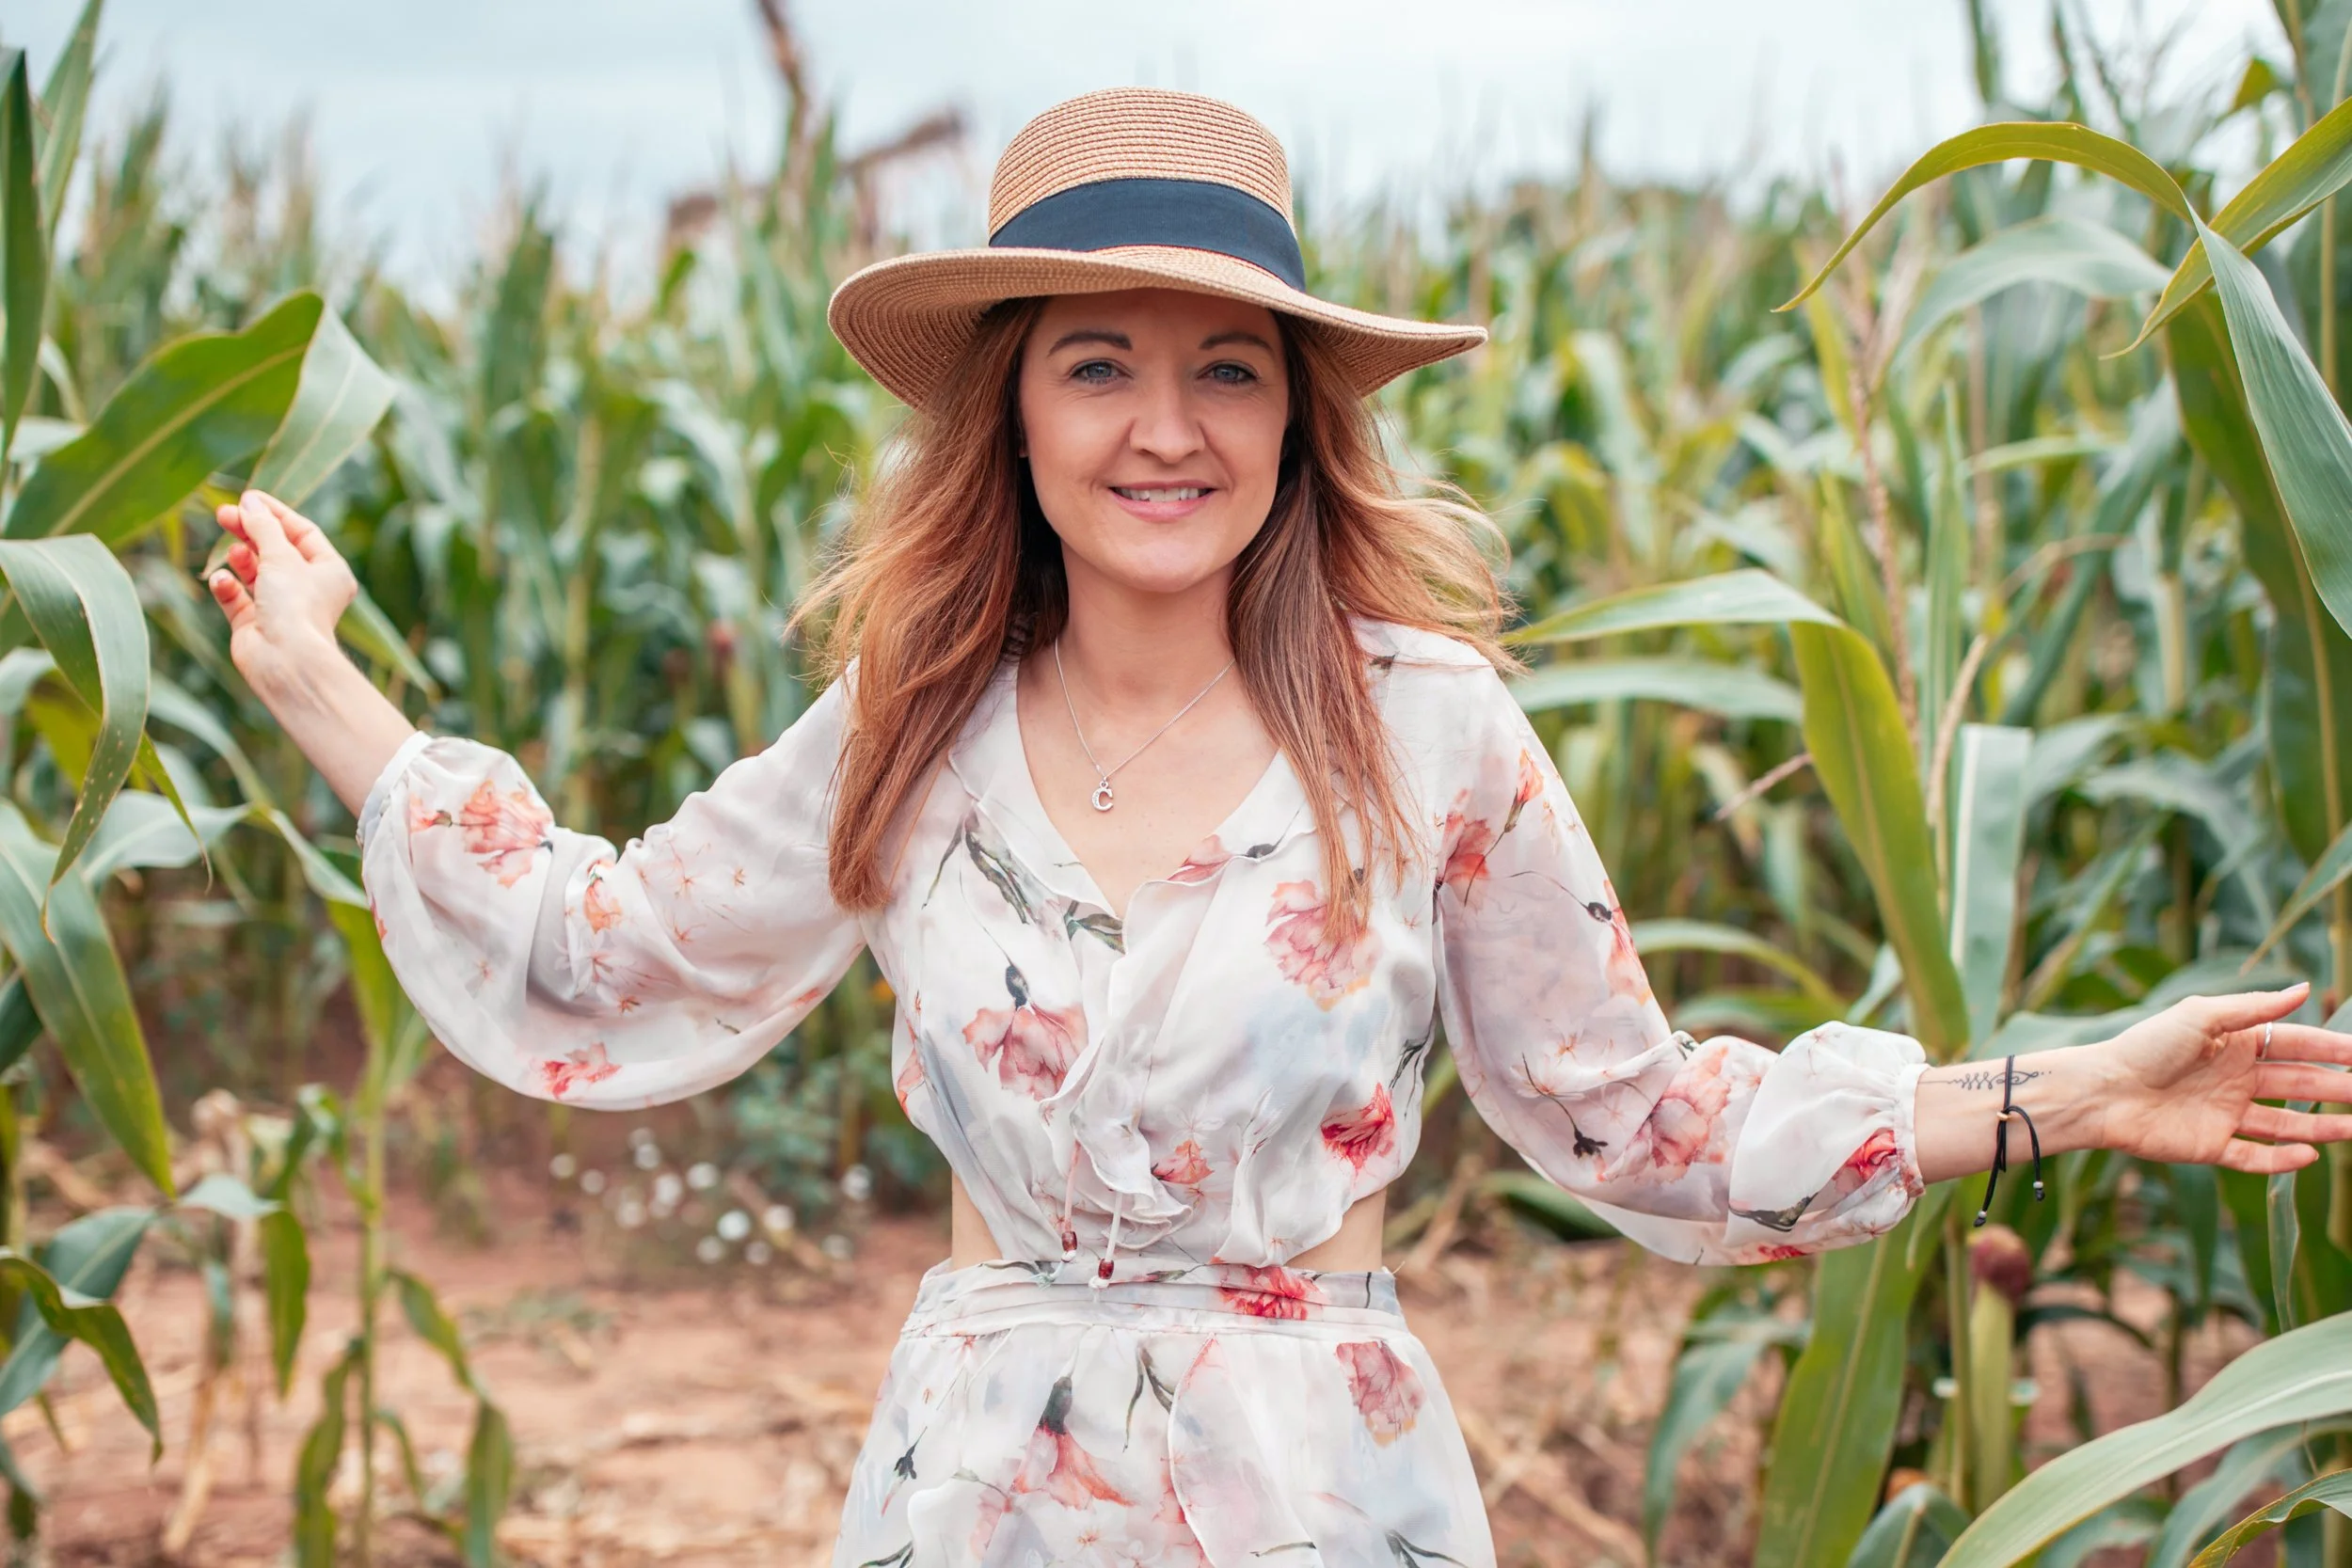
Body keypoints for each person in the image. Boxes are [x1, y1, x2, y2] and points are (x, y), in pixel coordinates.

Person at [209, 87, 2350, 1568]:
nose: (1164, 427)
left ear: (1296, 416)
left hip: (1317, 1479)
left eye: (1227, 369)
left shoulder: (1425, 733)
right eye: (1096, 365)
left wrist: (2064, 1086)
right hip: (977, 1483)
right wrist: (318, 675)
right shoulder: (908, 728)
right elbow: (611, 946)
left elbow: (1644, 1120)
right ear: (1010, 408)